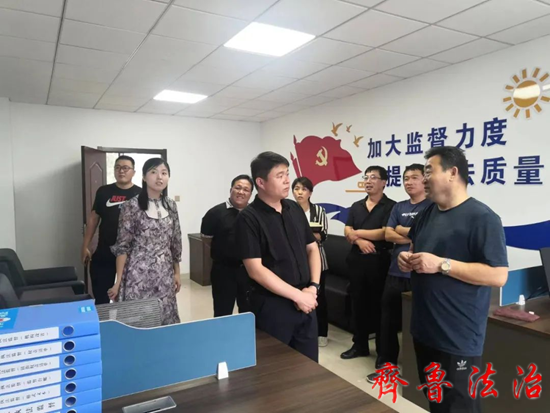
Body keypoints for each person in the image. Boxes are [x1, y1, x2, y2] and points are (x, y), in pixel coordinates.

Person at [398, 146, 508, 412]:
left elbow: (498, 275)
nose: (424, 178)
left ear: (452, 172)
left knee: (459, 406)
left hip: (457, 337)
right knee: (436, 402)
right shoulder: (427, 214)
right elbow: (415, 249)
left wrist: (441, 264)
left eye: (429, 171)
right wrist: (407, 259)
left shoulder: (483, 218)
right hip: (424, 330)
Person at [235, 152, 321, 362]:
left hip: (306, 301)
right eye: (280, 175)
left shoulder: (294, 208)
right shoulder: (248, 218)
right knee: (275, 368)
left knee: (309, 366)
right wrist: (297, 296)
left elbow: (312, 248)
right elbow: (255, 270)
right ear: (261, 182)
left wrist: (313, 287)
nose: (287, 180)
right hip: (273, 306)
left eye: (287, 174)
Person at [366, 164, 432, 383]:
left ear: (425, 180)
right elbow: (387, 234)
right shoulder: (399, 206)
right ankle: (387, 368)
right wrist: (412, 233)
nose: (409, 182)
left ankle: (417, 375)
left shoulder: (432, 207)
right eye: (405, 178)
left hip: (420, 276)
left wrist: (402, 230)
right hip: (395, 273)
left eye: (414, 177)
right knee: (387, 324)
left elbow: (426, 235)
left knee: (417, 327)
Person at [108, 158, 183, 325]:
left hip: (164, 273)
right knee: (139, 319)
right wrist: (118, 282)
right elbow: (123, 246)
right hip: (137, 273)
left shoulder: (171, 205)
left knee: (164, 317)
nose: (159, 177)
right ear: (143, 177)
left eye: (164, 173)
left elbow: (175, 242)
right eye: (153, 172)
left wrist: (177, 272)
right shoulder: (131, 206)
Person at [341, 166, 396, 362]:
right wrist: (359, 241)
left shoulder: (391, 206)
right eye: (366, 177)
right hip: (356, 260)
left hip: (379, 261)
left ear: (384, 182)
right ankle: (360, 345)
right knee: (357, 304)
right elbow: (347, 229)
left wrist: (356, 234)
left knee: (380, 308)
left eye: (373, 177)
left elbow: (385, 232)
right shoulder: (356, 205)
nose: (368, 181)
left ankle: (383, 353)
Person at [81, 155, 141, 304]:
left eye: (126, 168)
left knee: (128, 298)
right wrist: (85, 245)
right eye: (118, 167)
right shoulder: (104, 192)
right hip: (105, 251)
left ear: (133, 172)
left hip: (131, 254)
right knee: (101, 297)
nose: (121, 171)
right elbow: (93, 219)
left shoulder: (141, 194)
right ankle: (103, 318)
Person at [201, 175, 254, 317]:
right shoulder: (215, 213)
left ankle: (245, 332)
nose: (241, 192)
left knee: (248, 311)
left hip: (250, 271)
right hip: (223, 271)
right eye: (238, 188)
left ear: (250, 194)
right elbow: (207, 241)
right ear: (231, 189)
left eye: (246, 189)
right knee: (222, 312)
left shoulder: (254, 214)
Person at [292, 177, 330, 347]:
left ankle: (322, 332)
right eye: (296, 189)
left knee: (320, 297)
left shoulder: (319, 211)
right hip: (296, 261)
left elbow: (323, 235)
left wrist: (304, 235)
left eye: (304, 189)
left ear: (310, 193)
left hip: (318, 261)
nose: (299, 192)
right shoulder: (288, 210)